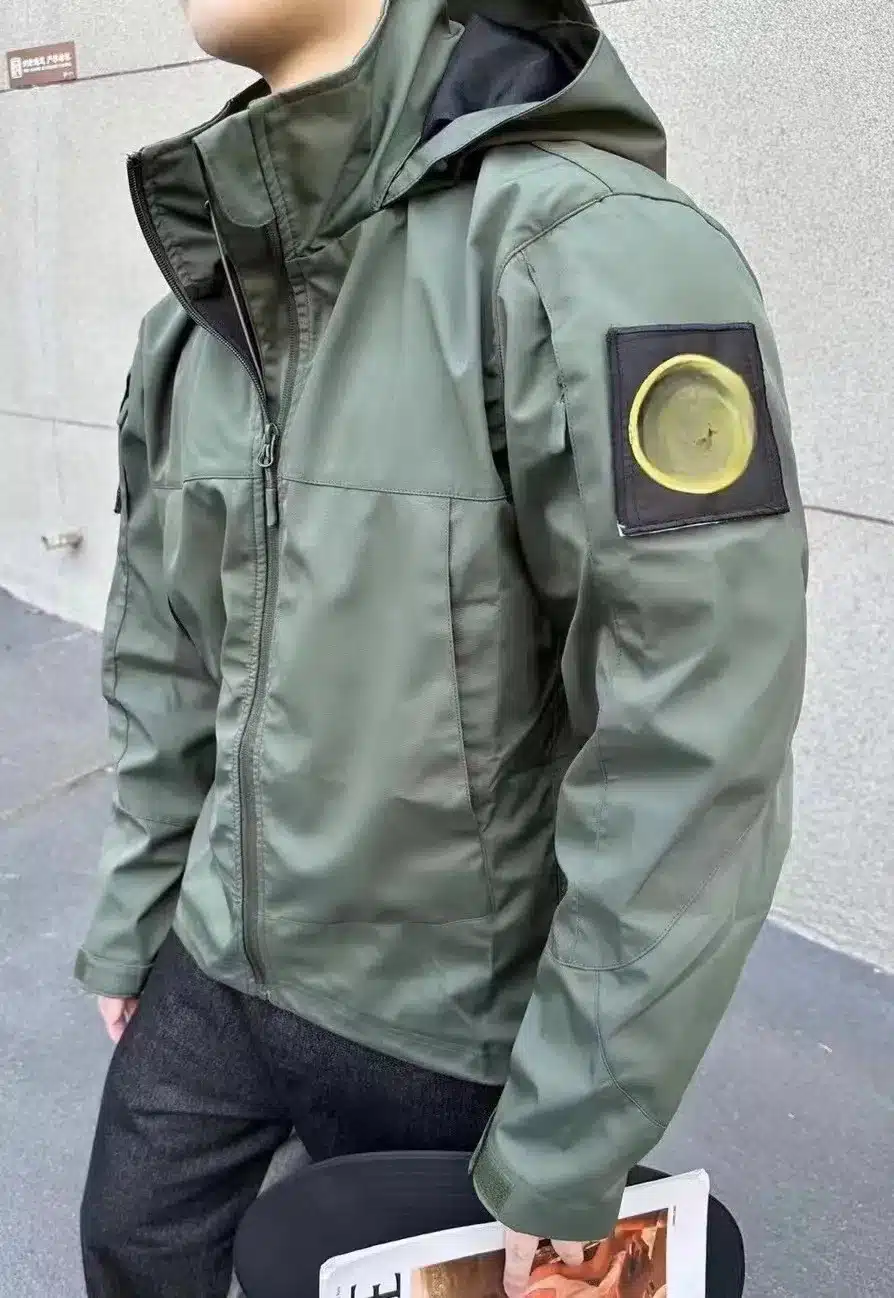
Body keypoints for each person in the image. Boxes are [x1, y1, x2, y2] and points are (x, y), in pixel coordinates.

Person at [76, 1, 809, 1296]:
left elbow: (692, 745)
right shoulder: (197, 314)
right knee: (133, 1245)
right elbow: (164, 656)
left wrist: (567, 1134)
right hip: (218, 955)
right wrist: (136, 917)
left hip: (450, 1020)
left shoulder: (593, 258)